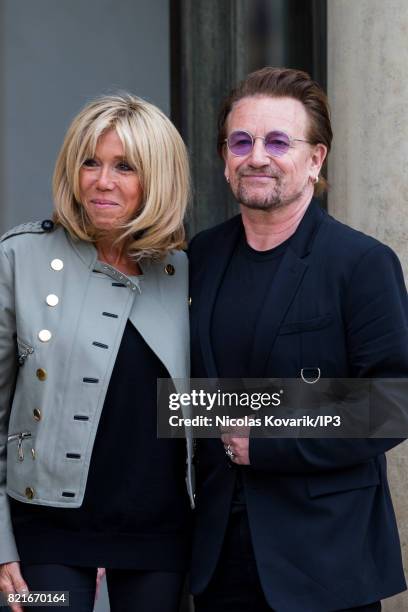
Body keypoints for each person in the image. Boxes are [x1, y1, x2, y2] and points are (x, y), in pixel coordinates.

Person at [188, 67, 408, 612]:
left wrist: (265, 438)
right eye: (241, 141)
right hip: (217, 558)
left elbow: (392, 403)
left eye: (278, 141)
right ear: (224, 158)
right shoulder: (199, 258)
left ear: (315, 159)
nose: (256, 156)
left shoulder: (361, 265)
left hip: (325, 561)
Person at [0, 93, 193, 612]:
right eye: (91, 161)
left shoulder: (186, 272)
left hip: (160, 538)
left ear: (158, 179)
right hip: (44, 533)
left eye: (125, 166)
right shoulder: (19, 257)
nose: (102, 181)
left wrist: (319, 416)